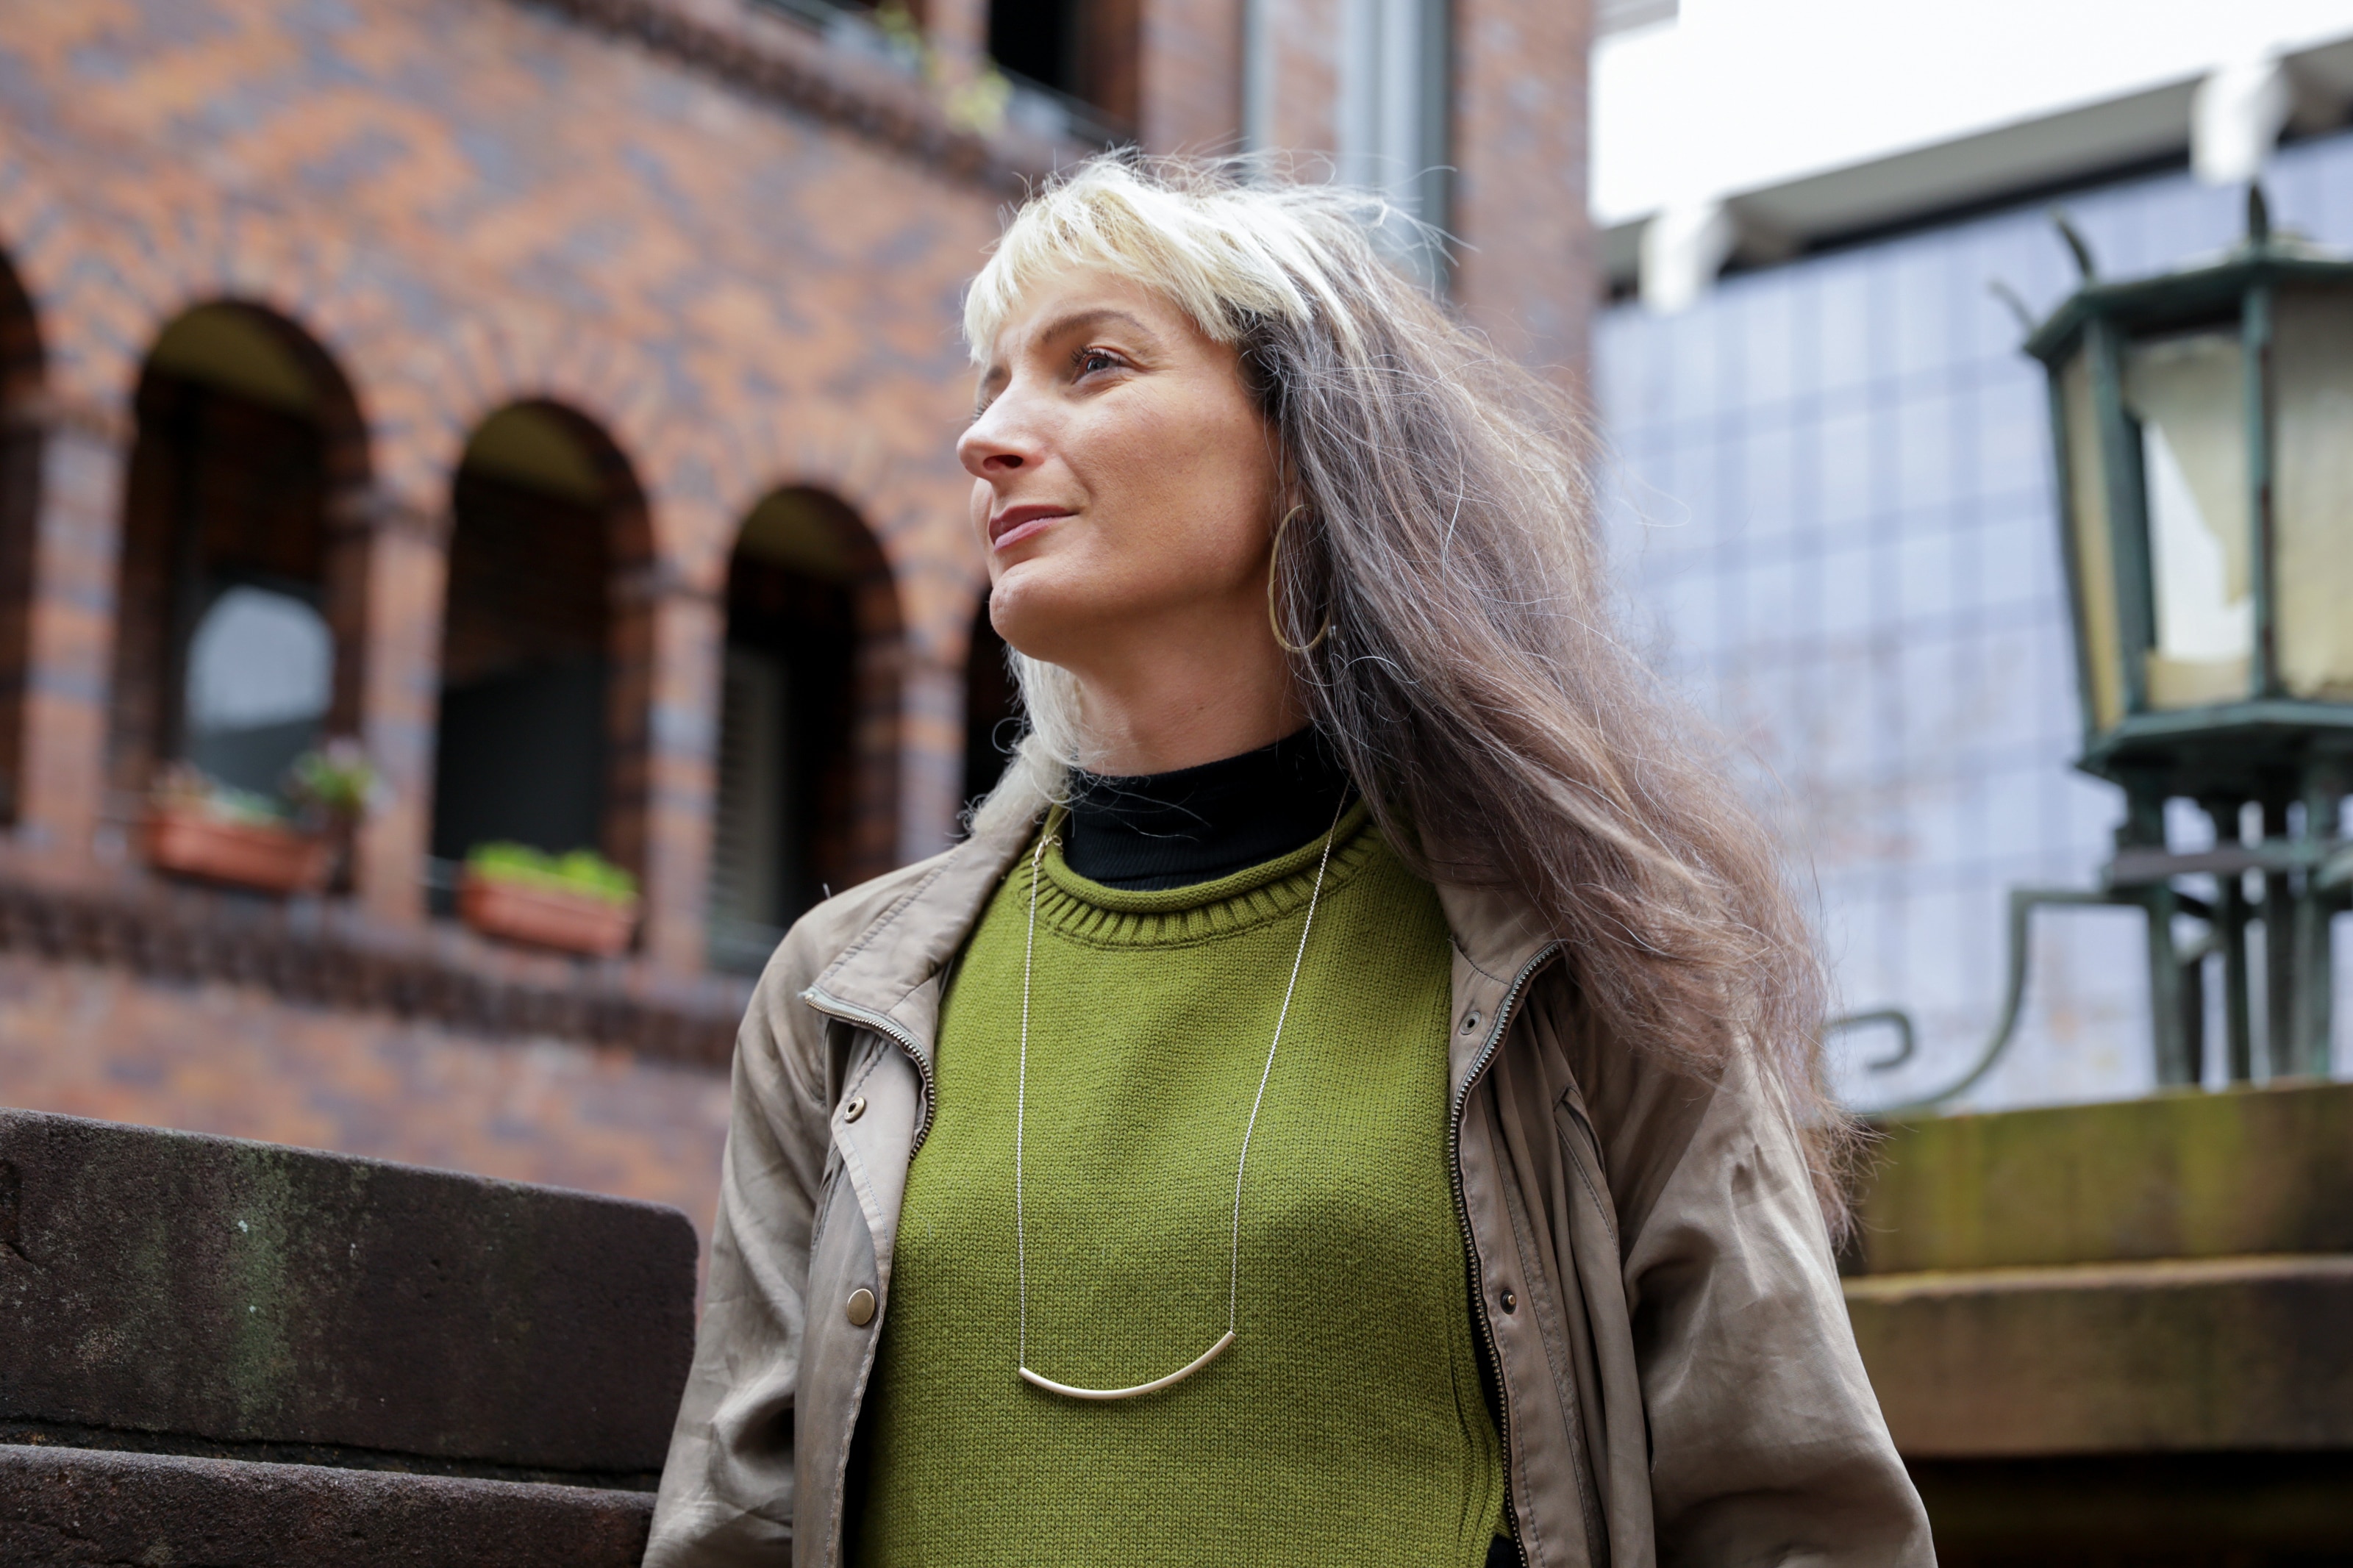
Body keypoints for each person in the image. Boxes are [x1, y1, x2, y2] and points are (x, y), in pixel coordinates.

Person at [645, 156, 1932, 1568]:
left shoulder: (1578, 940)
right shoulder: (845, 993)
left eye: (1093, 364)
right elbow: (731, 1525)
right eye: (989, 386)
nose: (991, 437)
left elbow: (1793, 1516)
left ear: (1310, 450)